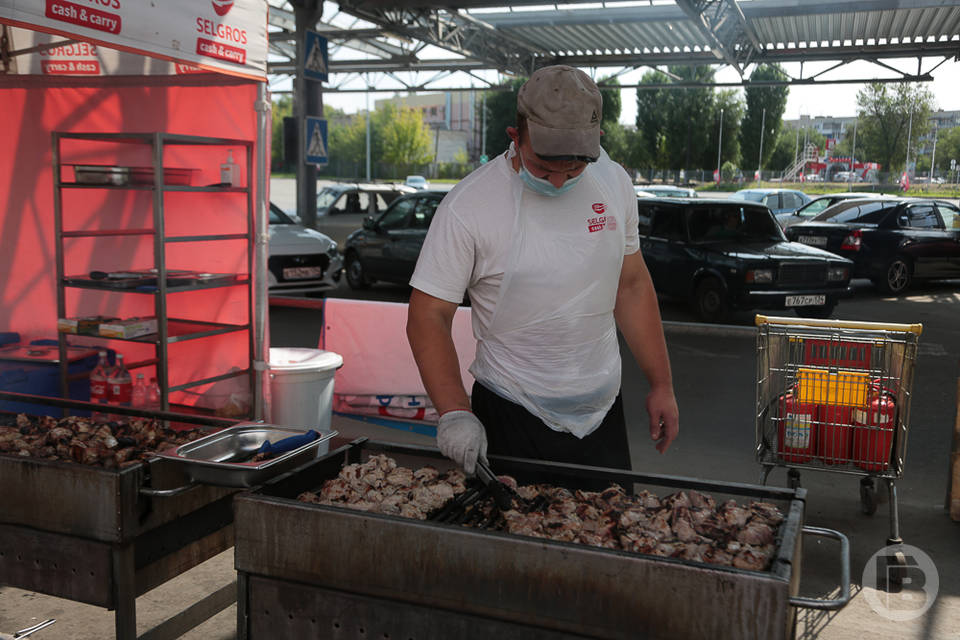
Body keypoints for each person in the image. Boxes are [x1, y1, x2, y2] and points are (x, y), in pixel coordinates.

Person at [406, 65, 679, 482]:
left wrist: (661, 383)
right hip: (511, 413)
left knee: (607, 537)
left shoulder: (615, 183)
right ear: (515, 136)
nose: (556, 182)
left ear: (596, 141)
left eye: (572, 170)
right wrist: (455, 412)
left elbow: (631, 285)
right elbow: (428, 315)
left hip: (602, 413)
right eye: (542, 167)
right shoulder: (470, 206)